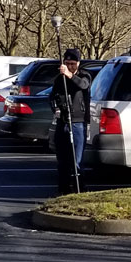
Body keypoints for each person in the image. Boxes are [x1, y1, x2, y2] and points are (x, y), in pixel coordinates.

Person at [50, 48, 92, 194]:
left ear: (78, 63)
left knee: (76, 160)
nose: (70, 66)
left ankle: (80, 189)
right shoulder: (59, 79)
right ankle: (63, 190)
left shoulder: (84, 75)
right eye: (67, 63)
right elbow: (52, 96)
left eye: (73, 64)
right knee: (62, 160)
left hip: (78, 123)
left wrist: (69, 75)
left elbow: (83, 85)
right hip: (62, 122)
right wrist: (55, 108)